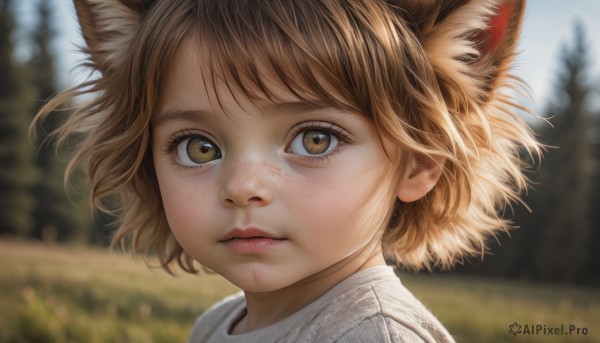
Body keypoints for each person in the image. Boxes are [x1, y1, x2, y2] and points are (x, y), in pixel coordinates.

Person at [34, 0, 540, 341]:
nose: (242, 187)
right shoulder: (217, 324)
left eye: (314, 139)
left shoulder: (374, 336)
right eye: (198, 147)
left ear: (423, 156)